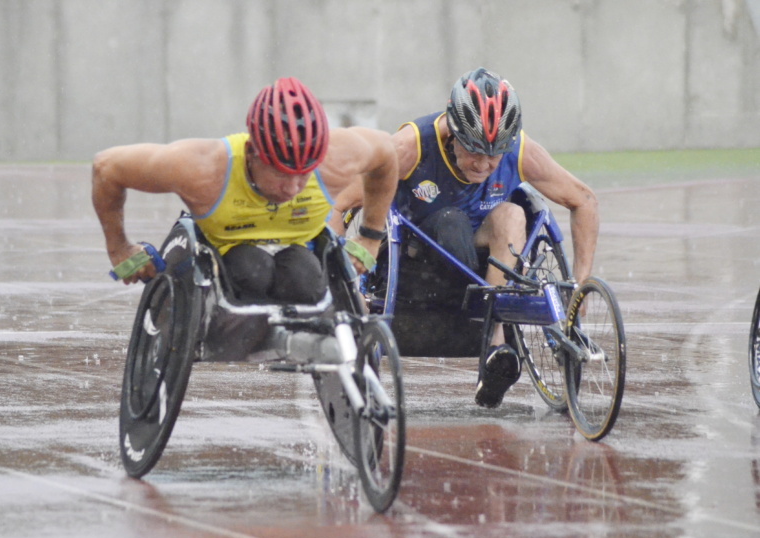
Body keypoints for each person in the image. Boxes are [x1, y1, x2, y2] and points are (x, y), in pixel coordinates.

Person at [333, 68, 598, 409]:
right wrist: (345, 274)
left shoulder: (519, 150)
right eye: (474, 150)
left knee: (514, 214)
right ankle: (489, 319)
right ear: (452, 133)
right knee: (452, 221)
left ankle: (495, 348)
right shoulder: (411, 146)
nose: (484, 164)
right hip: (417, 256)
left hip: (484, 260)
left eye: (494, 154)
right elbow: (342, 203)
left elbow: (584, 200)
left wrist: (580, 282)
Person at [92, 77, 398, 307]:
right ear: (251, 152)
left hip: (298, 254)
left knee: (303, 279)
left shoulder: (337, 157)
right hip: (225, 259)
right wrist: (119, 248)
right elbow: (106, 167)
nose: (292, 188)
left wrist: (370, 237)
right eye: (280, 173)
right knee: (253, 269)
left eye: (303, 175)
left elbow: (386, 152)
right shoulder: (203, 168)